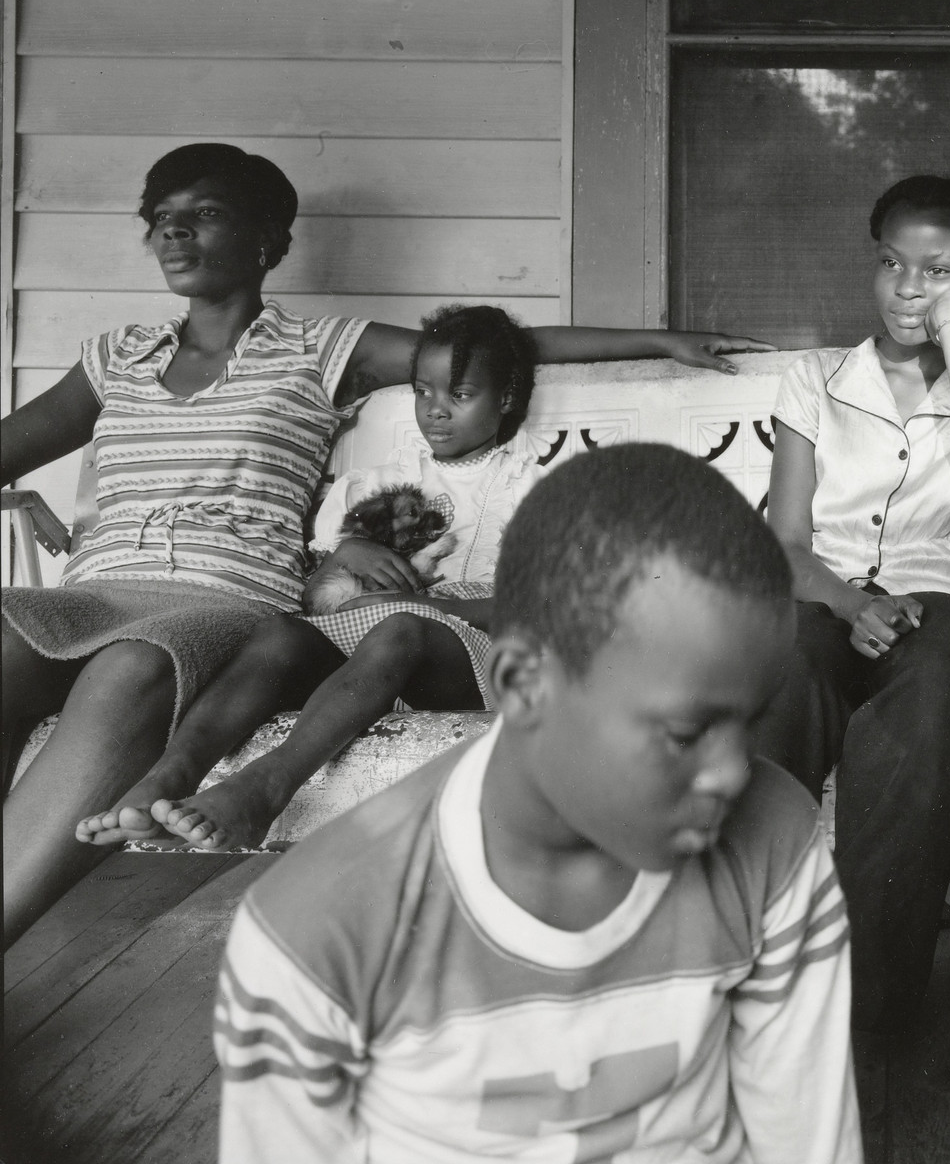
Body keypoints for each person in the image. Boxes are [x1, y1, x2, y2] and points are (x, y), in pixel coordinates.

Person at [0, 142, 768, 947]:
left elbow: (488, 352)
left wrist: (656, 341)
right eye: (161, 220)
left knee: (132, 666)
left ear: (266, 240)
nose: (174, 234)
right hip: (91, 587)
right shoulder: (113, 359)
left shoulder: (320, 348)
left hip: (223, 598)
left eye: (204, 215)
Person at [212, 444, 860, 1163]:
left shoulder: (776, 839)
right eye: (685, 730)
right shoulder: (316, 930)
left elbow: (806, 1141)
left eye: (752, 718)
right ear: (522, 684)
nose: (734, 772)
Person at [77, 305, 551, 851]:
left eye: (460, 396)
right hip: (368, 652)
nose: (436, 412)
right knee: (281, 632)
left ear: (507, 398)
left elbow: (538, 607)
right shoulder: (378, 483)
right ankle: (168, 778)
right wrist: (341, 560)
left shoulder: (535, 491)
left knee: (402, 628)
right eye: (424, 392)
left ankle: (264, 791)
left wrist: (424, 607)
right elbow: (315, 595)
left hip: (469, 657)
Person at [752, 175, 950, 1040]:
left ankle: (864, 1012)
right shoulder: (815, 378)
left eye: (936, 270)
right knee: (781, 676)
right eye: (890, 264)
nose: (908, 287)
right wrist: (844, 603)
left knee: (937, 712)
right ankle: (745, 962)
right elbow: (787, 538)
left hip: (932, 600)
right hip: (818, 593)